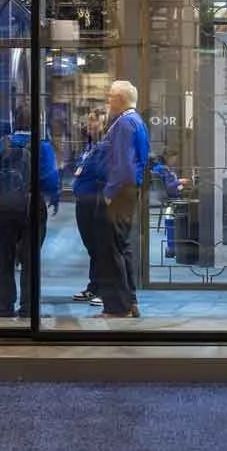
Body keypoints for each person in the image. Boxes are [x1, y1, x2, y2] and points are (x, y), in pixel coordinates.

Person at [0, 105, 59, 319]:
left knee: (4, 260)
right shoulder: (42, 146)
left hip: (3, 208)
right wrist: (53, 199)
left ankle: (4, 308)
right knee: (30, 260)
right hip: (31, 207)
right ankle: (28, 308)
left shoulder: (2, 144)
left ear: (14, 120)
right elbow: (50, 180)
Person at [97, 80, 149, 319]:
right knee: (122, 246)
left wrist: (109, 193)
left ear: (120, 99)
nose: (108, 100)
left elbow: (123, 164)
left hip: (120, 192)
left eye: (110, 96)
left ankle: (119, 307)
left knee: (114, 249)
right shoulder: (137, 121)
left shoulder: (124, 123)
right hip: (129, 189)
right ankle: (130, 301)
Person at [71, 108, 108, 306]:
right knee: (92, 248)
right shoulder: (89, 146)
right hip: (83, 202)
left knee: (101, 246)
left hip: (97, 201)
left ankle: (105, 290)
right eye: (89, 121)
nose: (90, 125)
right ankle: (94, 286)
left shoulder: (106, 147)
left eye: (95, 121)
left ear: (104, 124)